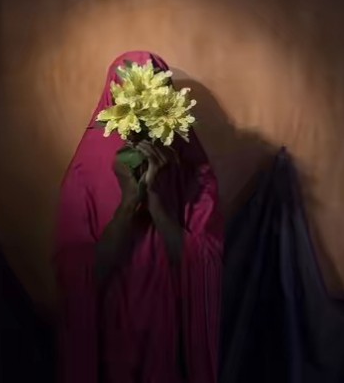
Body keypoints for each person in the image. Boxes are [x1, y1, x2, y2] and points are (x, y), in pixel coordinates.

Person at [54, 51, 224, 383]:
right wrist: (128, 204)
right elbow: (77, 274)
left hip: (169, 331)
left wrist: (157, 202)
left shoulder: (192, 168)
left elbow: (204, 262)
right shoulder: (85, 172)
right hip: (108, 333)